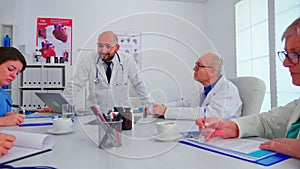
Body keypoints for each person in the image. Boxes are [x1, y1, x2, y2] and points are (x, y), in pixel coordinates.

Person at [196, 17, 300, 159]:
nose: (286, 63)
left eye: (295, 54)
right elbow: (267, 122)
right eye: (287, 54)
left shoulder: (227, 89)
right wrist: (232, 126)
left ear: (213, 70)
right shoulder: (297, 105)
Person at [63, 31, 151, 113]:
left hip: (121, 114)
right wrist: (61, 104)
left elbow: (140, 84)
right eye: (100, 46)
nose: (103, 50)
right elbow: (75, 85)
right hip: (96, 115)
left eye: (108, 46)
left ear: (117, 47)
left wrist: (151, 107)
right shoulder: (88, 60)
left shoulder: (127, 61)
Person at [153, 52, 242, 120]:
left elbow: (211, 114)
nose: (194, 69)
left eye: (198, 66)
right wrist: (162, 106)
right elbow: (185, 104)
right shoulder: (203, 90)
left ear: (212, 71)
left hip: (222, 141)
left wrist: (166, 111)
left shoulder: (228, 90)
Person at [0, 46, 27, 157]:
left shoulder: (5, 95)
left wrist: (9, 115)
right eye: (10, 69)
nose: (13, 75)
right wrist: (4, 121)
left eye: (17, 73)